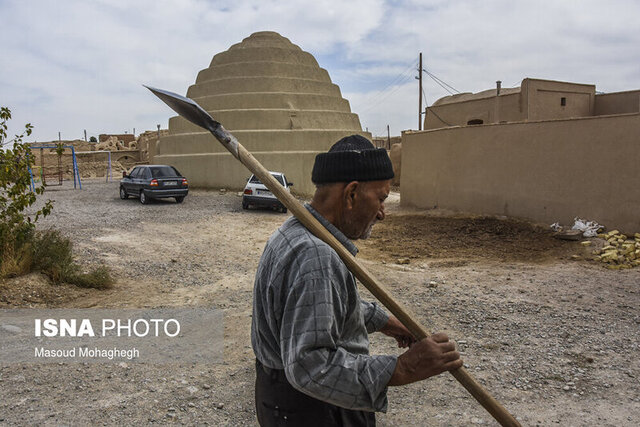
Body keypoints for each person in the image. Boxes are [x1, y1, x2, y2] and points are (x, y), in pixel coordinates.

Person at [251, 135, 462, 426]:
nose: (382, 214)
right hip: (317, 410)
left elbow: (320, 305)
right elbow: (310, 367)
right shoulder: (316, 255)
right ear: (351, 194)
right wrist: (404, 368)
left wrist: (385, 321)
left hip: (283, 401)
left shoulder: (292, 233)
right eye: (381, 198)